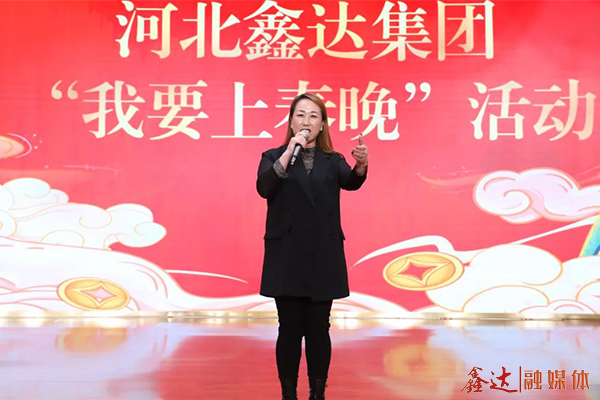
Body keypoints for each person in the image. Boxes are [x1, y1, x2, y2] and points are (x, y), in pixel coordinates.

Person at [256, 93, 368, 400]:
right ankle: (288, 393)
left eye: (313, 116)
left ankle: (318, 393)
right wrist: (289, 151)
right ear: (291, 121)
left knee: (319, 328)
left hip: (322, 255)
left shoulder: (333, 160)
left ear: (322, 125)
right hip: (287, 255)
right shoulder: (272, 155)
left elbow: (351, 181)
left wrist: (361, 165)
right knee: (288, 328)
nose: (306, 121)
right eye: (301, 115)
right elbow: (265, 187)